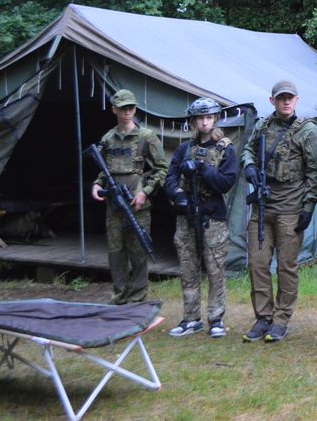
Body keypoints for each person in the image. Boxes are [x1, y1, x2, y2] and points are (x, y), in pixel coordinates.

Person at [240, 81, 317, 343]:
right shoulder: (263, 126)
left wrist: (309, 206)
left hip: (290, 207)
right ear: (272, 100)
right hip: (262, 206)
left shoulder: (307, 130)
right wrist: (249, 165)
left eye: (290, 98)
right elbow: (247, 150)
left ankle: (281, 320)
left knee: (286, 266)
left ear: (297, 100)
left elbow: (315, 170)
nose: (286, 102)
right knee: (257, 263)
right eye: (281, 98)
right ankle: (263, 317)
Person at [164, 98, 238, 338]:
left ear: (215, 119)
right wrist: (177, 195)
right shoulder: (184, 149)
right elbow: (170, 177)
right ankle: (190, 318)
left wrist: (202, 169)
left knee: (215, 269)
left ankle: (216, 318)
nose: (205, 122)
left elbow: (226, 183)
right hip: (187, 215)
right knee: (188, 268)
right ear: (193, 121)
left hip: (212, 217)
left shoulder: (226, 148)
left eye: (208, 117)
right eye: (200, 118)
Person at [91, 89, 168, 305]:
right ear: (114, 109)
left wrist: (145, 191)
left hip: (137, 204)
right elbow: (103, 169)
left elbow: (162, 169)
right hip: (114, 204)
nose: (127, 112)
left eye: (131, 108)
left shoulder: (146, 136)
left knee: (138, 250)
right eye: (123, 108)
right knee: (115, 251)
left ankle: (137, 297)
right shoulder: (108, 139)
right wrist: (97, 184)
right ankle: (119, 296)